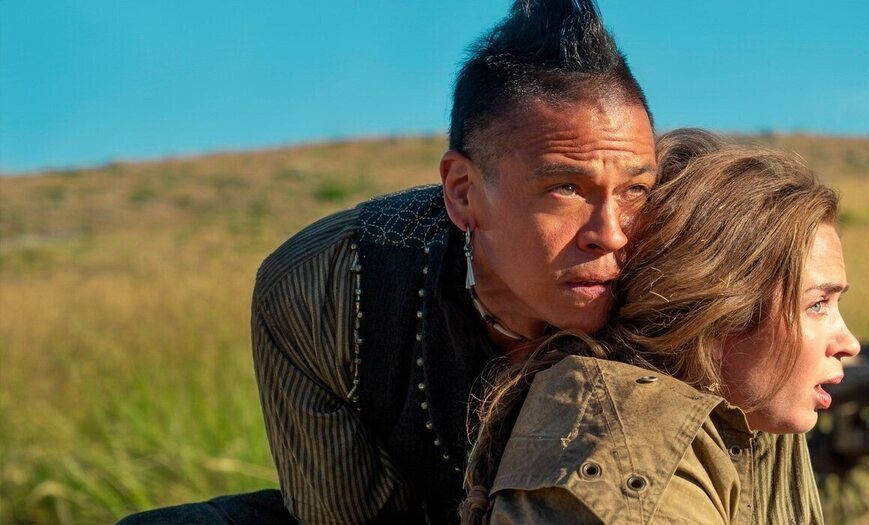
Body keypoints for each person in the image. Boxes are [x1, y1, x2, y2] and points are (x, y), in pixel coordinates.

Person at [121, 1, 664, 523]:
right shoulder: (327, 285)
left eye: (635, 189)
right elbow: (340, 514)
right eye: (566, 188)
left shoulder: (689, 270)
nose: (610, 234)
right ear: (463, 192)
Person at [460, 129, 861, 524]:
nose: (849, 343)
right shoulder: (633, 467)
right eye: (817, 304)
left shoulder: (754, 424)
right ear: (715, 312)